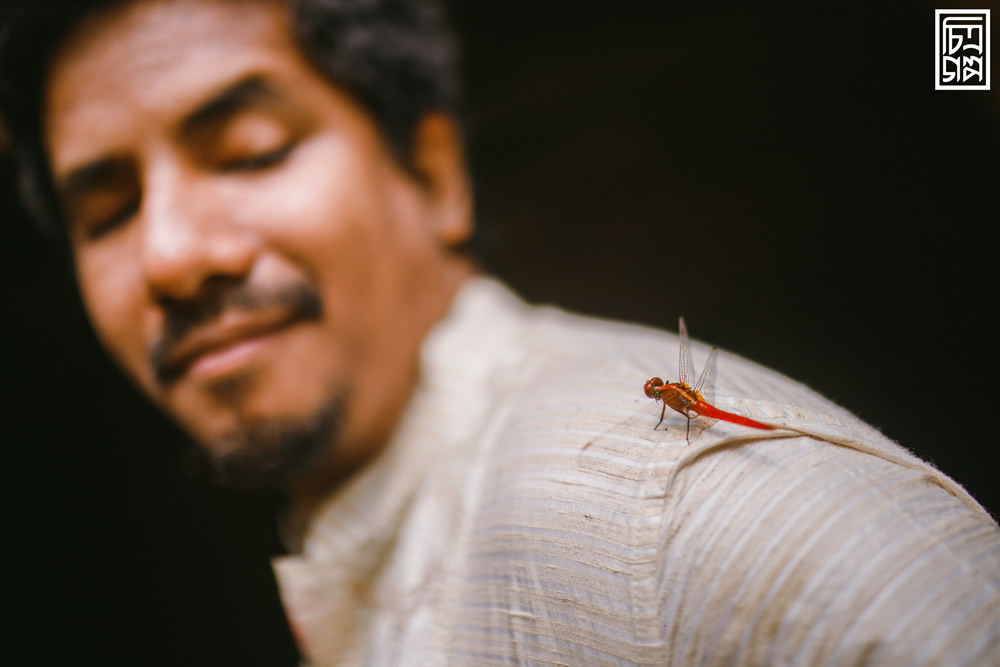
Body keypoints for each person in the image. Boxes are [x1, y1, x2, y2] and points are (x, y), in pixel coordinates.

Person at [3, 0, 998, 664]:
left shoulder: (690, 522)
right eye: (106, 212)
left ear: (434, 173)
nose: (171, 255)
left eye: (250, 151)